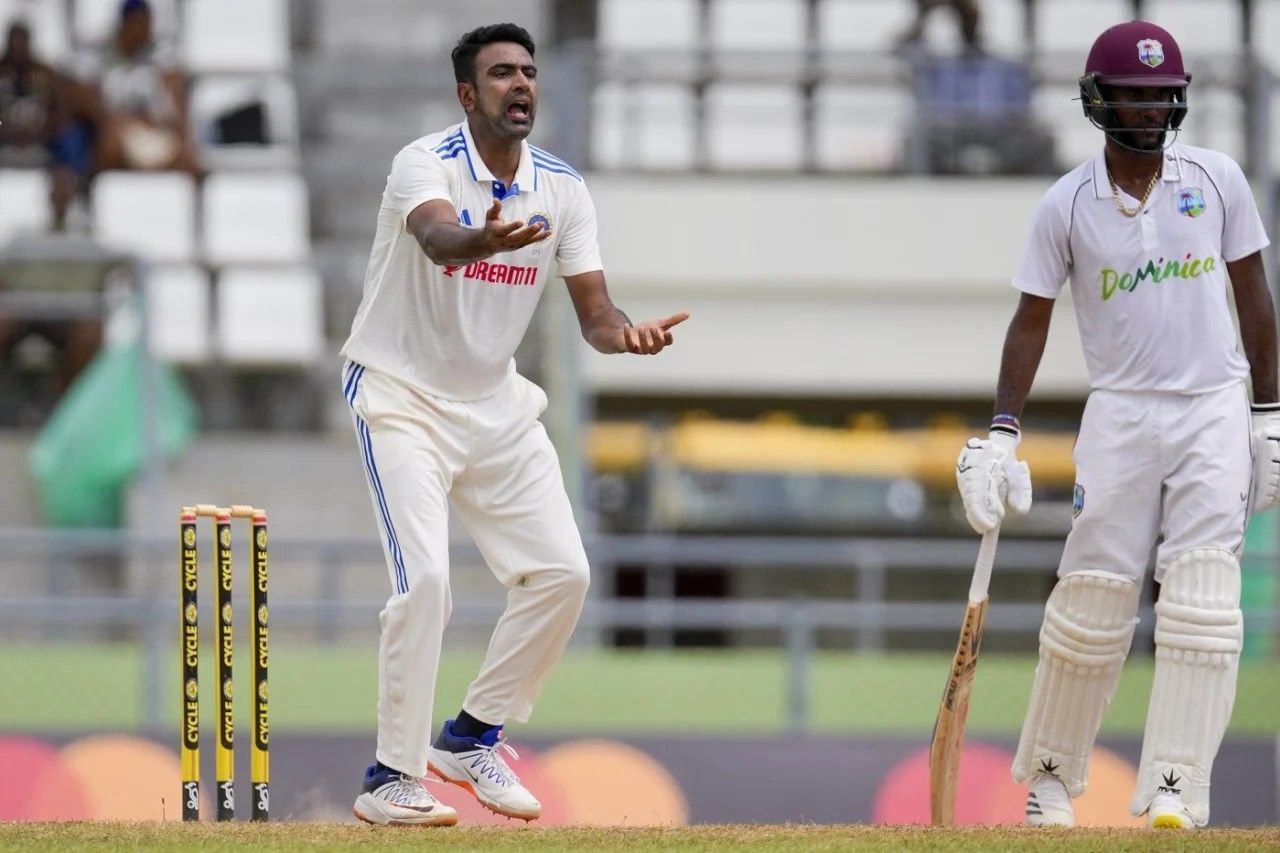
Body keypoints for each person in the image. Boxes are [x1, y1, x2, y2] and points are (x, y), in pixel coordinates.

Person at [339, 23, 689, 827]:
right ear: (469, 95)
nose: (520, 84)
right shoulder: (423, 163)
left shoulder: (562, 188)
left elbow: (596, 315)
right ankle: (391, 774)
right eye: (501, 74)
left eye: (528, 71)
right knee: (425, 580)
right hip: (402, 395)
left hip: (495, 404)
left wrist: (625, 334)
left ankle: (469, 737)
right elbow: (435, 239)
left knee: (564, 574)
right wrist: (478, 239)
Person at [955, 21, 1278, 830]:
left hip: (1213, 405)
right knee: (1093, 597)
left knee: (1203, 597)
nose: (1149, 107)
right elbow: (1030, 321)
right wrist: (1002, 430)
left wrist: (1270, 419)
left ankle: (1177, 784)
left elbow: (1255, 300)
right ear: (1100, 100)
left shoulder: (1219, 178)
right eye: (1133, 94)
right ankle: (1053, 779)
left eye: (1161, 92)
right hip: (1121, 411)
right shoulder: (1065, 203)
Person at [80, 0, 198, 173]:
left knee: (186, 161)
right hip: (115, 131)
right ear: (129, 23)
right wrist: (119, 122)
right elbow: (85, 98)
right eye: (143, 23)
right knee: (108, 145)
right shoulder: (99, 56)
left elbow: (175, 103)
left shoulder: (161, 57)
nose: (148, 29)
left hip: (153, 129)